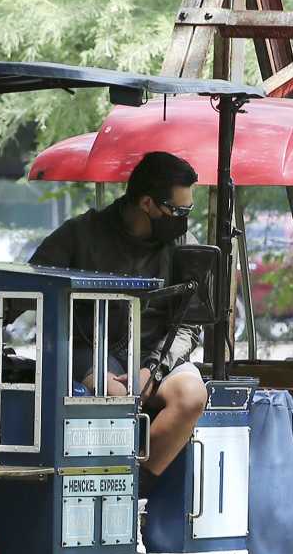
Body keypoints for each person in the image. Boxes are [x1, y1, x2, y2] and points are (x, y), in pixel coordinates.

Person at [29, 151, 206, 477]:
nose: (184, 220)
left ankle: (136, 483)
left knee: (192, 396)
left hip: (157, 353)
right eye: (178, 211)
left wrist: (153, 369)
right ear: (147, 204)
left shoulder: (183, 244)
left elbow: (189, 325)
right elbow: (32, 288)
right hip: (92, 351)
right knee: (114, 396)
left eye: (188, 211)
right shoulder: (79, 234)